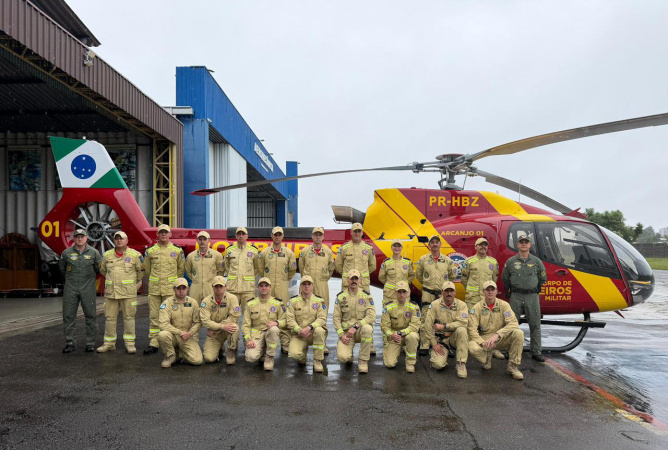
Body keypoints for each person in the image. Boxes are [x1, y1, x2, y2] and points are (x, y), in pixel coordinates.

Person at [501, 234, 547, 362]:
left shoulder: (536, 261)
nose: (524, 244)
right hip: (516, 295)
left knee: (535, 324)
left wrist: (534, 288)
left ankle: (536, 352)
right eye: (521, 242)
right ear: (517, 245)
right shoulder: (511, 262)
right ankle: (509, 350)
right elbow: (505, 278)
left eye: (526, 242)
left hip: (532, 296)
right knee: (511, 323)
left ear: (530, 245)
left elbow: (543, 278)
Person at [97, 231, 144, 354]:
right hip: (111, 293)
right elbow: (102, 270)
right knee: (110, 318)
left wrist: (132, 284)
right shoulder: (107, 255)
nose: (119, 240)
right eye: (117, 238)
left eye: (121, 238)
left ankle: (130, 344)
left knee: (129, 318)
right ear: (114, 241)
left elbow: (141, 271)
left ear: (126, 240)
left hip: (128, 293)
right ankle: (109, 343)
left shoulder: (135, 255)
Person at [467, 281, 524, 380]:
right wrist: (482, 343)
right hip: (485, 339)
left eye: (492, 289)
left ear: (496, 291)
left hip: (500, 338)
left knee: (519, 333)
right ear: (483, 291)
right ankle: (486, 358)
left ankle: (512, 366)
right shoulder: (476, 308)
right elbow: (471, 330)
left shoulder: (504, 305)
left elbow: (514, 323)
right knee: (471, 346)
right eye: (487, 290)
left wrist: (497, 334)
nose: (490, 292)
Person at [334, 222, 377, 354]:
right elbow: (338, 265)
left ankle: (370, 344)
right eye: (355, 231)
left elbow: (372, 266)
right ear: (351, 232)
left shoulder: (368, 248)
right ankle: (347, 341)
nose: (357, 233)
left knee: (367, 312)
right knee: (346, 312)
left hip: (363, 284)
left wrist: (360, 278)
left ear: (362, 233)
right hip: (347, 285)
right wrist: (349, 278)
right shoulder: (344, 248)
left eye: (359, 231)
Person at [143, 224, 185, 354]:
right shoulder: (150, 251)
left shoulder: (177, 251)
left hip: (170, 290)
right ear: (157, 234)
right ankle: (154, 343)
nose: (163, 234)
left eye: (166, 232)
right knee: (154, 317)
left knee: (172, 317)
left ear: (170, 234)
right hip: (155, 290)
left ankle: (172, 342)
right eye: (161, 232)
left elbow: (181, 269)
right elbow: (147, 269)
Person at [460, 237, 504, 361]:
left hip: (488, 297)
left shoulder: (492, 262)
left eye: (485, 245)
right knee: (471, 322)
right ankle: (471, 346)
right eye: (480, 245)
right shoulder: (469, 261)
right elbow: (464, 279)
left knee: (491, 323)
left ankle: (494, 348)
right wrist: (472, 290)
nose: (483, 247)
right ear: (476, 247)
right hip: (473, 298)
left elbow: (494, 279)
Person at [59, 228, 102, 353]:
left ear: (86, 238)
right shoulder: (66, 253)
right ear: (74, 238)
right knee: (68, 316)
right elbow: (62, 269)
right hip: (70, 288)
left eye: (82, 236)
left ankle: (90, 343)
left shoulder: (94, 253)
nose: (79, 239)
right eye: (77, 236)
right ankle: (70, 343)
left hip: (87, 288)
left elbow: (99, 269)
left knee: (91, 315)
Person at [258, 226, 297, 353]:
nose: (277, 237)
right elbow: (261, 269)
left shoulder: (289, 253)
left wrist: (284, 279)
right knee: (266, 312)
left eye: (279, 234)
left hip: (282, 286)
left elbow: (292, 270)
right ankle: (265, 342)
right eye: (275, 234)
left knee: (283, 313)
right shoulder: (264, 253)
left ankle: (285, 343)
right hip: (268, 286)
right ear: (272, 236)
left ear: (282, 236)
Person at [415, 235, 456, 355]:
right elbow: (419, 276)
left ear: (440, 244)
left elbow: (452, 276)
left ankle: (444, 344)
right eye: (432, 242)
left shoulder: (447, 260)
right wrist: (428, 285)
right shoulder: (423, 259)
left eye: (437, 242)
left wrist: (443, 287)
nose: (434, 244)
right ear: (429, 245)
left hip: (442, 294)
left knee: (444, 318)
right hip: (428, 293)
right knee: (425, 318)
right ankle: (424, 344)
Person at [422, 281, 469, 378]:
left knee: (462, 330)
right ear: (442, 292)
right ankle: (441, 355)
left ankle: (461, 363)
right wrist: (434, 343)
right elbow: (427, 325)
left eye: (451, 291)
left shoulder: (462, 305)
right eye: (446, 291)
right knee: (438, 365)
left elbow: (463, 322)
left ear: (455, 292)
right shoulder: (434, 305)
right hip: (441, 340)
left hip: (454, 338)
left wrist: (444, 326)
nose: (449, 293)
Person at [332, 270, 376, 374]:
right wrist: (341, 335)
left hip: (360, 330)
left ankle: (363, 361)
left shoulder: (366, 296)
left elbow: (372, 316)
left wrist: (356, 326)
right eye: (352, 279)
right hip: (347, 333)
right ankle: (349, 353)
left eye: (356, 279)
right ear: (347, 280)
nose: (354, 281)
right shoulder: (340, 297)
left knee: (368, 328)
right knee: (343, 357)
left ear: (360, 281)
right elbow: (336, 318)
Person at [157, 278, 203, 368]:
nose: (181, 291)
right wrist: (180, 332)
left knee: (197, 360)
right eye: (178, 288)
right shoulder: (167, 303)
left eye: (183, 288)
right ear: (174, 289)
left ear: (187, 289)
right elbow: (163, 324)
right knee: (162, 334)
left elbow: (198, 322)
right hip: (173, 335)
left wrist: (190, 333)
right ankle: (170, 356)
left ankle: (179, 353)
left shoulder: (193, 303)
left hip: (187, 336)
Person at [285, 276, 327, 373]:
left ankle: (317, 361)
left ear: (312, 286)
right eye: (304, 284)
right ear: (300, 286)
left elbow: (322, 318)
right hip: (299, 334)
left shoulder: (319, 301)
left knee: (320, 331)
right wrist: (299, 330)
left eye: (309, 284)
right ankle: (302, 355)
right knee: (294, 354)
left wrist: (309, 328)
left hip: (313, 333)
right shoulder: (293, 301)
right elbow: (289, 320)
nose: (306, 286)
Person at [242, 278, 286, 371]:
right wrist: (248, 339)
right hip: (256, 335)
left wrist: (276, 322)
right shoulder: (250, 303)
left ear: (270, 287)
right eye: (261, 286)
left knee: (274, 329)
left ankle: (269, 357)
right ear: (258, 288)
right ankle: (262, 351)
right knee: (250, 357)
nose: (264, 288)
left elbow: (285, 320)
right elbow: (245, 325)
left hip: (270, 333)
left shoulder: (278, 303)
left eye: (266, 286)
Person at [380, 281, 420, 373]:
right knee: (389, 364)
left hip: (407, 335)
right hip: (394, 337)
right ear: (395, 292)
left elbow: (415, 326)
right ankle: (389, 350)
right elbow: (384, 326)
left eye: (404, 292)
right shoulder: (388, 307)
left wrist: (401, 333)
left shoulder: (414, 307)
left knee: (413, 336)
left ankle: (410, 363)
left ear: (408, 292)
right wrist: (391, 335)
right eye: (399, 292)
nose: (401, 295)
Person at [200, 276, 240, 365]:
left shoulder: (232, 298)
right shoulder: (206, 301)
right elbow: (205, 321)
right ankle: (220, 347)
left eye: (221, 286)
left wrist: (220, 327)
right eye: (216, 286)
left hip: (223, 330)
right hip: (214, 333)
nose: (218, 288)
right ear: (212, 287)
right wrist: (222, 327)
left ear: (225, 287)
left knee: (234, 327)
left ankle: (231, 351)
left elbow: (234, 317)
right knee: (209, 358)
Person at [224, 227, 260, 313]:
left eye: (243, 234)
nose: (241, 236)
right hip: (232, 289)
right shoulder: (229, 250)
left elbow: (257, 267)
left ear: (247, 236)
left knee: (249, 314)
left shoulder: (254, 250)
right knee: (232, 314)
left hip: (248, 290)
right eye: (239, 234)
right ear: (236, 236)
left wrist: (249, 277)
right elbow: (227, 266)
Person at [298, 227, 335, 309]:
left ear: (323, 237)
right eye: (316, 235)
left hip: (321, 284)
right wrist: (306, 279)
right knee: (304, 307)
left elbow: (331, 268)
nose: (318, 237)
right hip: (307, 284)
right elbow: (301, 267)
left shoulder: (328, 252)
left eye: (320, 235)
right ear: (312, 236)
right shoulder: (305, 251)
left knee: (322, 306)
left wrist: (324, 279)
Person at [185, 231, 224, 302]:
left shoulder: (217, 255)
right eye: (200, 239)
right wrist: (196, 279)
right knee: (194, 306)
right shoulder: (191, 256)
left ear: (209, 240)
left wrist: (213, 281)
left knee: (211, 305)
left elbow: (221, 271)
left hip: (210, 287)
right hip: (196, 287)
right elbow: (188, 271)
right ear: (197, 240)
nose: (202, 241)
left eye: (204, 239)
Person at [378, 239, 415, 306]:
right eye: (394, 246)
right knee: (388, 311)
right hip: (390, 294)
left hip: (403, 293)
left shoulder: (407, 262)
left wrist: (405, 283)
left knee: (404, 311)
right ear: (391, 247)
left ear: (402, 248)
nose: (397, 248)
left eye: (399, 246)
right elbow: (381, 277)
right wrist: (390, 284)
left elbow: (412, 275)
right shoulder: (386, 262)